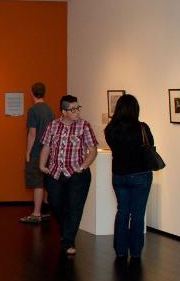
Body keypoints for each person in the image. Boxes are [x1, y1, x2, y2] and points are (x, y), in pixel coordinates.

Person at [39, 95, 97, 256]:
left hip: (77, 174)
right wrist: (42, 165)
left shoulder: (84, 126)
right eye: (73, 109)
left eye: (78, 108)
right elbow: (46, 147)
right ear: (64, 112)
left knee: (75, 208)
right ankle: (67, 230)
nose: (77, 112)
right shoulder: (53, 125)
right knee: (55, 203)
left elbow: (92, 151)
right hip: (55, 173)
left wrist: (83, 167)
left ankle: (68, 241)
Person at [103, 94, 154, 262]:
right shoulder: (142, 128)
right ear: (135, 109)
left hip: (119, 176)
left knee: (122, 211)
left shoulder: (110, 130)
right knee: (137, 215)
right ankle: (136, 251)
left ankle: (120, 250)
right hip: (140, 175)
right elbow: (151, 146)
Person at [19, 81, 55, 224]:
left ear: (31, 93)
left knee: (37, 182)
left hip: (37, 151)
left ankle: (36, 213)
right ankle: (45, 209)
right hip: (49, 150)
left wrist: (28, 152)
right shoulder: (49, 110)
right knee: (46, 181)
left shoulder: (33, 110)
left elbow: (32, 133)